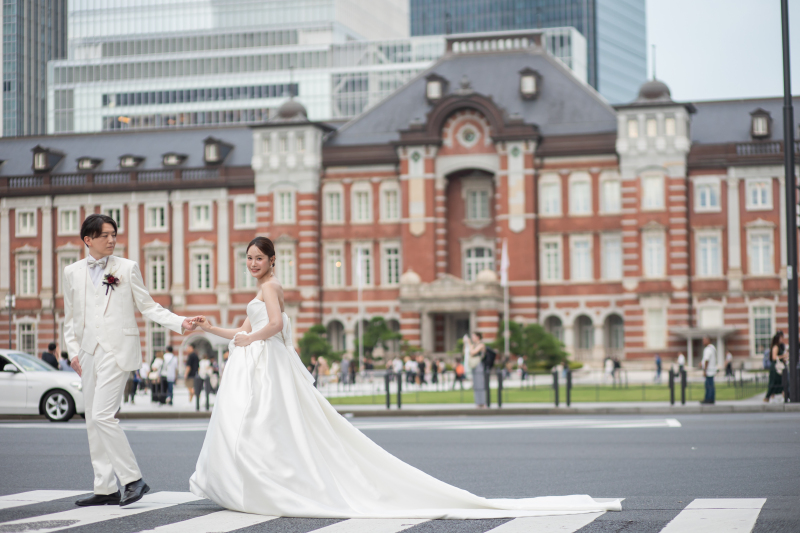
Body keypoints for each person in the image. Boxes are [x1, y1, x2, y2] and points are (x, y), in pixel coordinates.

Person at [189, 236, 619, 519]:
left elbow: (276, 325)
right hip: (266, 360)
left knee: (269, 425)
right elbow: (250, 331)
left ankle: (265, 481)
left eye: (257, 258)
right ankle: (267, 478)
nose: (252, 264)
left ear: (272, 261)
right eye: (248, 259)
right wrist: (214, 329)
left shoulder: (271, 288)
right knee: (278, 427)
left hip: (270, 361)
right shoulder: (261, 290)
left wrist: (248, 341)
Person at [62, 214, 199, 507]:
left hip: (117, 349)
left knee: (102, 415)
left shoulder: (126, 268)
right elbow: (70, 318)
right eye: (105, 235)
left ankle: (133, 479)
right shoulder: (71, 272)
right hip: (87, 351)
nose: (112, 240)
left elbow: (148, 306)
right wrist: (73, 350)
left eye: (114, 234)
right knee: (92, 420)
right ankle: (105, 487)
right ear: (88, 240)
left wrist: (180, 321)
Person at [764, 332, 787, 403]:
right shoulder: (776, 347)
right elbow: (774, 358)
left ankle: (784, 396)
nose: (782, 339)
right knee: (774, 382)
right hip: (775, 367)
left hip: (778, 366)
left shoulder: (780, 346)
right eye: (781, 338)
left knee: (780, 382)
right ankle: (768, 397)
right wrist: (784, 356)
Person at [468, 332, 487, 409]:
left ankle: (482, 402)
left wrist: (469, 343)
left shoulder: (481, 345)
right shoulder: (473, 345)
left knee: (480, 384)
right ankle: (478, 403)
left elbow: (472, 352)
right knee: (475, 385)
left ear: (478, 337)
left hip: (479, 365)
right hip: (474, 365)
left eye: (473, 336)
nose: (472, 338)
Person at [700, 336, 717, 405]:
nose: (703, 342)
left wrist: (704, 371)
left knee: (708, 385)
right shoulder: (713, 348)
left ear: (708, 340)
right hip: (712, 369)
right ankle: (711, 399)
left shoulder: (708, 349)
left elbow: (706, 360)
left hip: (709, 370)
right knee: (711, 385)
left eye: (704, 340)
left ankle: (708, 399)